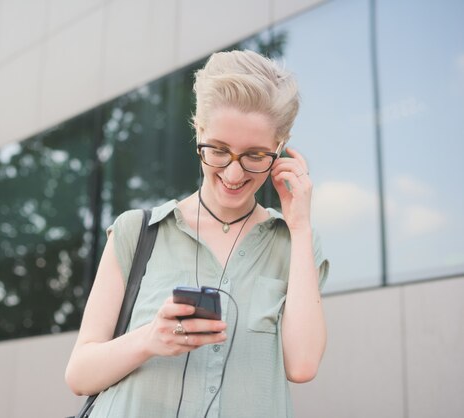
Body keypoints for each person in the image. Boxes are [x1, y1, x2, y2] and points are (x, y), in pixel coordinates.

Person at [65, 50, 329, 418]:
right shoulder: (137, 231)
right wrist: (150, 338)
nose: (234, 175)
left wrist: (299, 226)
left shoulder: (294, 244)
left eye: (255, 155)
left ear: (279, 148)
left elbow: (301, 365)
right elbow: (79, 374)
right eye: (218, 150)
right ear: (199, 131)